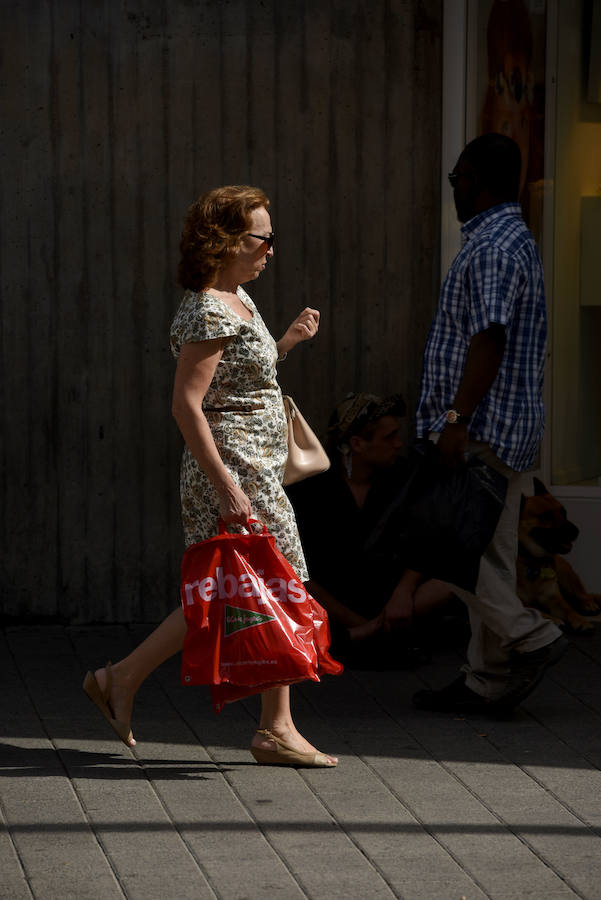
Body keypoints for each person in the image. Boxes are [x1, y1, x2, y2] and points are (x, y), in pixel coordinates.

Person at [83, 185, 338, 767]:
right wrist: (227, 487)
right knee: (268, 582)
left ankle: (132, 681)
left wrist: (286, 344)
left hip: (256, 466)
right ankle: (264, 724)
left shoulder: (239, 298)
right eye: (262, 237)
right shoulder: (206, 307)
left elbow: (239, 378)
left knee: (244, 588)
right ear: (224, 240)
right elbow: (186, 405)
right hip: (232, 471)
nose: (271, 248)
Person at [412, 133, 567, 714]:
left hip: (484, 428)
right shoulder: (508, 239)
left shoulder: (495, 249)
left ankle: (531, 636)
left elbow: (490, 337)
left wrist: (456, 419)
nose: (453, 189)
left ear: (478, 180)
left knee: (452, 546)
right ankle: (487, 679)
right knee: (490, 554)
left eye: (457, 179)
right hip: (507, 425)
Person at [286, 392, 457, 668]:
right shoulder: (312, 488)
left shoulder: (404, 478)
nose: (398, 444)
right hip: (331, 601)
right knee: (288, 578)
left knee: (452, 581)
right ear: (357, 443)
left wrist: (404, 591)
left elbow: (427, 540)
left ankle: (364, 639)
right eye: (388, 437)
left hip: (393, 600)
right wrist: (361, 625)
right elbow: (297, 568)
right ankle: (366, 638)